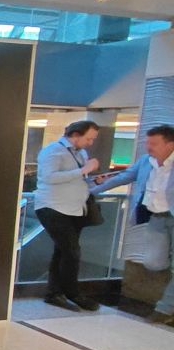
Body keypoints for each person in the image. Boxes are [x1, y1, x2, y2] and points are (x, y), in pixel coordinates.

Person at [91, 125, 174, 324]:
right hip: (156, 218)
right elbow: (124, 177)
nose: (148, 147)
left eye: (154, 143)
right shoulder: (146, 161)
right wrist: (90, 191)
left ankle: (164, 309)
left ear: (170, 145)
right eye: (148, 142)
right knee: (153, 262)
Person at [34, 121, 101, 312]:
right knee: (72, 251)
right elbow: (49, 177)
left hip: (75, 209)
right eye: (88, 138)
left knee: (63, 251)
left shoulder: (81, 153)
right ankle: (73, 293)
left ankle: (54, 293)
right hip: (53, 207)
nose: (90, 143)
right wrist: (83, 170)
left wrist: (92, 179)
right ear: (76, 135)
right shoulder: (53, 151)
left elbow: (76, 178)